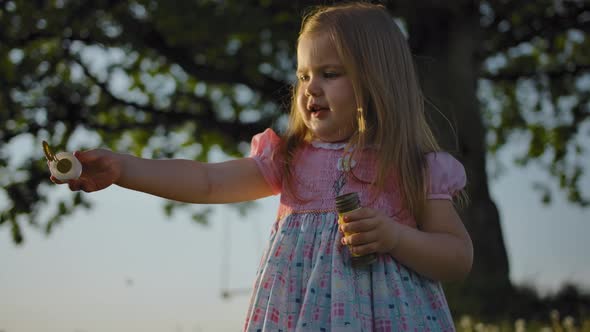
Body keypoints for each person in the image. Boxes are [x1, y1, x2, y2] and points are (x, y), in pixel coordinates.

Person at [51, 2, 473, 331]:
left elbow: (457, 257)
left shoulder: (413, 167)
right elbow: (208, 182)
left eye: (329, 73)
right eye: (304, 76)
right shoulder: (290, 158)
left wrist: (395, 237)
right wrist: (125, 169)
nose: (312, 89)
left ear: (379, 81)